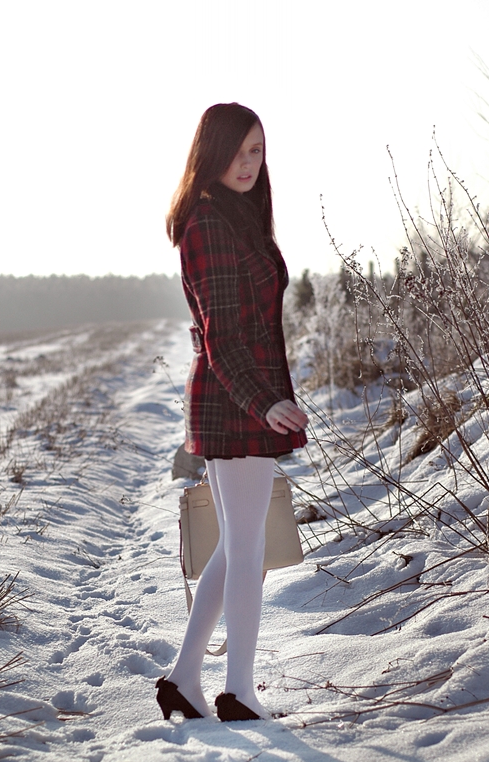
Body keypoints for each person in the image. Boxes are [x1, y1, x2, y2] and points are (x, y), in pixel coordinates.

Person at [157, 103, 308, 722]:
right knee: (247, 549)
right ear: (211, 151)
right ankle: (239, 691)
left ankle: (184, 679)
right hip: (233, 401)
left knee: (235, 545)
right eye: (238, 150)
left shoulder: (235, 217)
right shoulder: (208, 223)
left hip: (235, 399)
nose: (249, 163)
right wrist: (264, 400)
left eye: (257, 150)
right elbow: (223, 337)